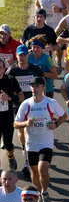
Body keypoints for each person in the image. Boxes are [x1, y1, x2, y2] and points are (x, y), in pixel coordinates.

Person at [14, 76, 67, 202]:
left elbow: (63, 115)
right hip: (31, 143)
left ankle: (45, 192)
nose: (34, 89)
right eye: (32, 86)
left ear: (43, 87)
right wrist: (26, 123)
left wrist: (55, 124)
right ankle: (38, 194)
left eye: (37, 86)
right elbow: (15, 124)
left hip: (46, 143)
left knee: (42, 170)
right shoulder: (26, 104)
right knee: (34, 172)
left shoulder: (50, 103)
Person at [6, 45, 44, 178]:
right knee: (22, 130)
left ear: (28, 55)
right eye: (20, 55)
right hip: (19, 105)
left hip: (34, 105)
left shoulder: (35, 69)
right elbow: (7, 86)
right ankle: (25, 151)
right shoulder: (12, 71)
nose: (22, 58)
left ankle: (35, 153)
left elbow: (42, 83)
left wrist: (43, 100)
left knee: (34, 131)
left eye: (24, 55)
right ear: (16, 56)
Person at [0, 59, 24, 170]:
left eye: (0, 68)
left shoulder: (10, 80)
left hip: (7, 117)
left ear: (4, 69)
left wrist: (8, 98)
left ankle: (10, 156)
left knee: (8, 144)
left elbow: (21, 97)